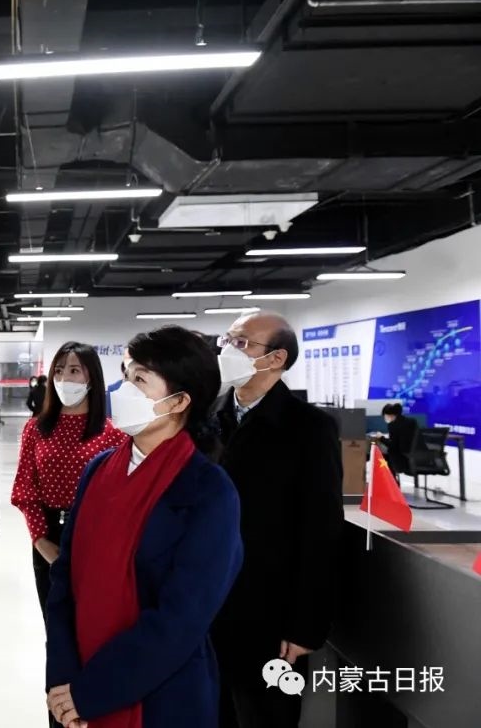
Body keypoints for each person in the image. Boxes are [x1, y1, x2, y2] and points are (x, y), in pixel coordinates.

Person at [45, 326, 243, 728]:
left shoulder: (207, 491)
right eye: (125, 374)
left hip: (161, 695)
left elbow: (182, 618)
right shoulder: (99, 470)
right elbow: (66, 579)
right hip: (77, 683)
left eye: (140, 379)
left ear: (179, 401)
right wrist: (63, 679)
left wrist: (91, 692)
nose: (123, 389)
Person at [211, 312, 344, 728]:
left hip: (268, 611)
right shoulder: (207, 418)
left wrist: (306, 625)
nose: (227, 350)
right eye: (226, 340)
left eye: (241, 343)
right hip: (206, 604)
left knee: (265, 716)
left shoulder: (309, 428)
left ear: (276, 358)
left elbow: (320, 530)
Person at [11, 343, 127, 622]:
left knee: (93, 624)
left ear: (92, 378)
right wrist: (41, 541)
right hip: (48, 532)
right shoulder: (36, 429)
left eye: (75, 370)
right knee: (56, 623)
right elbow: (25, 490)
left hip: (96, 536)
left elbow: (121, 496)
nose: (64, 379)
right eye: (59, 371)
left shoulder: (113, 434)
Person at [380, 402, 418, 478]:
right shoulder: (412, 421)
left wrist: (381, 438)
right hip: (416, 460)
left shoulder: (393, 425)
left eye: (385, 416)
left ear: (390, 415)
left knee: (382, 456)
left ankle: (392, 482)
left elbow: (393, 446)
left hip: (401, 462)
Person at [104, 347, 132, 419]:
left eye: (131, 357)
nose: (129, 361)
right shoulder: (113, 388)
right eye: (126, 358)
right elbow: (108, 418)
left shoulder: (149, 386)